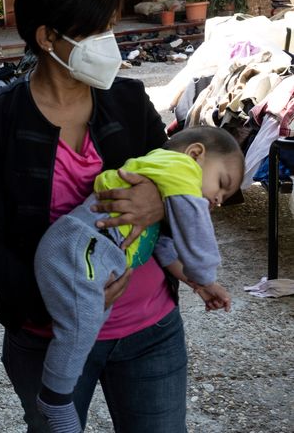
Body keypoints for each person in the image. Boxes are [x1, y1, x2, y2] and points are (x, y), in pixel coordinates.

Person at [0, 0, 186, 432]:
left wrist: (159, 201)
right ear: (47, 38)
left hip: (148, 329)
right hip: (45, 338)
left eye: (110, 26)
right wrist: (60, 302)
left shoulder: (128, 100)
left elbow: (180, 178)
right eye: (96, 31)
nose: (111, 42)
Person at [33, 126, 244, 432]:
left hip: (82, 251)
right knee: (80, 322)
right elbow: (195, 234)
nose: (218, 200)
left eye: (224, 197)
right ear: (195, 154)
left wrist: (200, 285)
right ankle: (54, 397)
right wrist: (205, 271)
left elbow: (163, 247)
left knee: (88, 318)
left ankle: (58, 394)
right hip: (78, 249)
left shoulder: (160, 176)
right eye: (221, 183)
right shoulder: (180, 167)